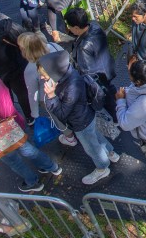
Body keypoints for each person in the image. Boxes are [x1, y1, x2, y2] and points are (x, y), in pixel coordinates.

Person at [39, 50, 120, 185]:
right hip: (88, 115)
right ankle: (111, 153)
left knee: (92, 148)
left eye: (44, 75)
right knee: (97, 136)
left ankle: (102, 168)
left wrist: (51, 97)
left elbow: (62, 113)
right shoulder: (71, 74)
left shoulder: (69, 88)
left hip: (80, 123)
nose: (42, 78)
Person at [16, 32, 64, 123]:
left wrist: (35, 114)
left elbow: (33, 94)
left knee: (59, 120)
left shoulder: (30, 69)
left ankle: (69, 137)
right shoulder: (53, 46)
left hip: (48, 96)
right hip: (65, 87)